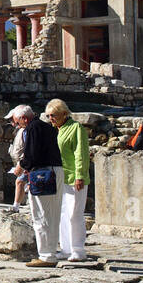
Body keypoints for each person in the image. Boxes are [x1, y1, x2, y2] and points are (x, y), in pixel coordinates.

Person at [16, 104, 63, 267]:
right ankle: (50, 252)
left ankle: (46, 255)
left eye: (17, 122)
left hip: (43, 173)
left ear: (24, 118)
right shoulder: (47, 127)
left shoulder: (33, 128)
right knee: (53, 214)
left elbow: (32, 155)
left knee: (41, 214)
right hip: (55, 170)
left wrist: (21, 166)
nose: (17, 125)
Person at [47, 98, 91, 262]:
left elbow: (81, 153)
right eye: (49, 115)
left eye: (54, 115)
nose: (51, 118)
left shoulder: (75, 128)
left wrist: (80, 175)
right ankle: (66, 248)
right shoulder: (54, 130)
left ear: (64, 114)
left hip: (74, 177)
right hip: (59, 177)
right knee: (62, 214)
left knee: (75, 214)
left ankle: (78, 249)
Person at [5, 105, 30, 213]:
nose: (11, 122)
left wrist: (22, 163)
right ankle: (19, 204)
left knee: (20, 182)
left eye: (13, 119)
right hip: (21, 162)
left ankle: (16, 206)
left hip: (25, 162)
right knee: (23, 183)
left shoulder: (26, 130)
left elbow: (27, 148)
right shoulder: (20, 130)